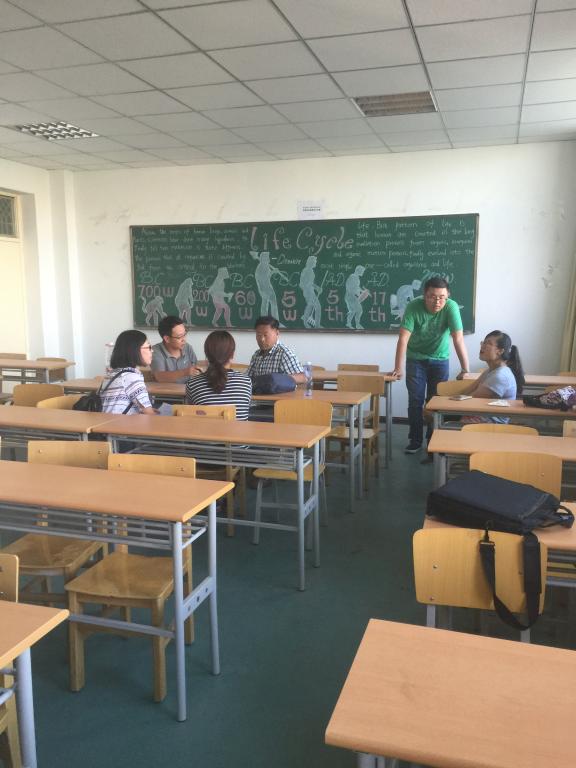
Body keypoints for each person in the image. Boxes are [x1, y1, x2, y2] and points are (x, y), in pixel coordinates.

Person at [390, 276, 470, 454]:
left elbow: (458, 338)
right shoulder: (414, 306)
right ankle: (415, 440)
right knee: (415, 401)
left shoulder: (451, 307)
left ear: (447, 296)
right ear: (424, 295)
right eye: (432, 297)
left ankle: (433, 440)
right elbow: (403, 338)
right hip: (415, 359)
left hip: (440, 360)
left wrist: (466, 369)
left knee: (435, 402)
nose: (437, 301)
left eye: (442, 297)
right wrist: (398, 367)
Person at [460, 330, 524, 423]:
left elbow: (470, 400)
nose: (482, 346)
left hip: (490, 424)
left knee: (440, 417)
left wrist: (453, 401)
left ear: (500, 351)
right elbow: (466, 392)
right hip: (478, 415)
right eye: (483, 342)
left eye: (488, 343)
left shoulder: (500, 376)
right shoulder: (490, 370)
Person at [185, 331, 252, 420]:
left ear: (207, 354)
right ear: (232, 355)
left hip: (205, 429)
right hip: (237, 429)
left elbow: (191, 414)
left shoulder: (192, 384)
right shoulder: (246, 382)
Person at [101, 330, 156, 415]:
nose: (152, 351)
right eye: (149, 347)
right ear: (135, 350)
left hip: (106, 421)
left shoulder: (113, 373)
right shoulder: (132, 377)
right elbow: (148, 413)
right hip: (120, 423)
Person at [246, 316, 305, 384]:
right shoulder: (256, 355)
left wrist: (278, 379)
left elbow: (302, 377)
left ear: (277, 333)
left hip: (278, 391)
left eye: (266, 335)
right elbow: (248, 377)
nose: (262, 339)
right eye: (259, 335)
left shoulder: (284, 353)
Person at [151, 315, 200, 383]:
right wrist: (185, 372)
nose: (184, 339)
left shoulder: (188, 347)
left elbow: (196, 370)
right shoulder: (155, 351)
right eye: (179, 337)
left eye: (184, 334)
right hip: (167, 389)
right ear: (167, 339)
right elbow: (159, 377)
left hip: (188, 388)